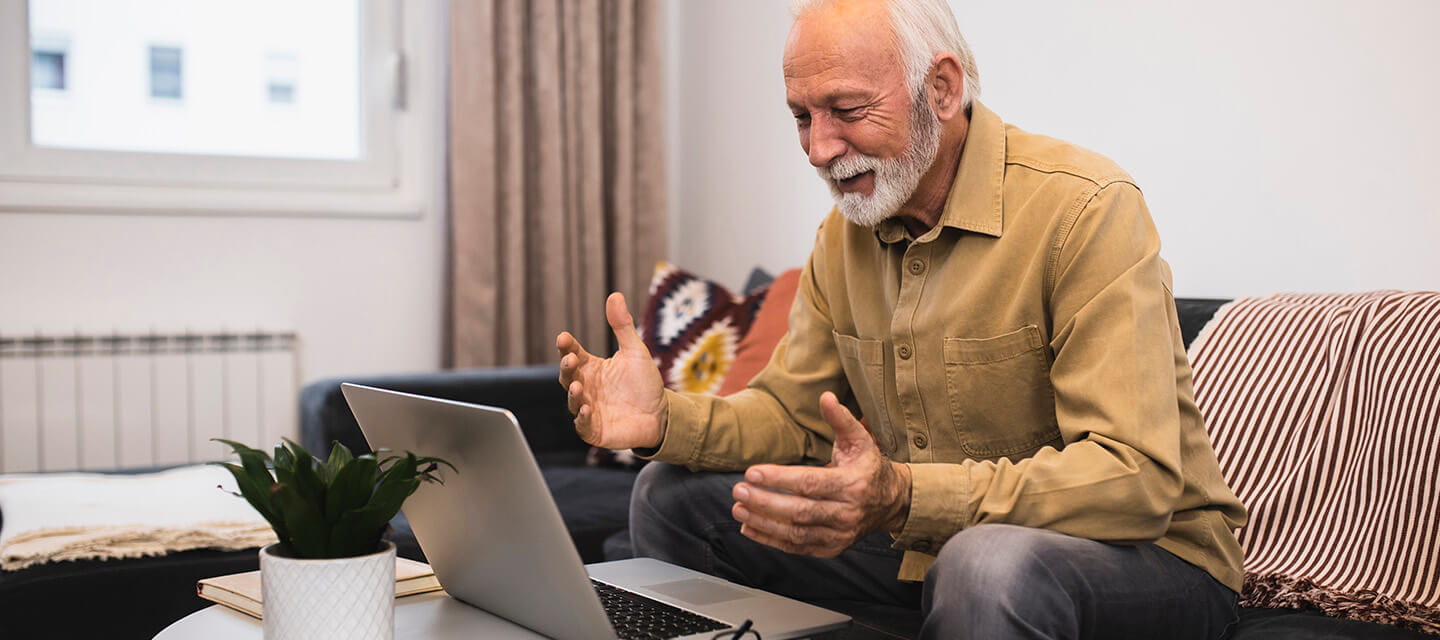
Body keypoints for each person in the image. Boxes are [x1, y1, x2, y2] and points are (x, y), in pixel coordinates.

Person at [555, 0, 1247, 637]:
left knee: (985, 564)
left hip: (1146, 561)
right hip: (929, 546)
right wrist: (664, 422)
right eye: (802, 117)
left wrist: (904, 495)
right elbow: (789, 417)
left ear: (941, 90)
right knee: (670, 497)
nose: (820, 149)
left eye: (847, 110)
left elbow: (1134, 478)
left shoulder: (1086, 211)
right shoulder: (843, 237)